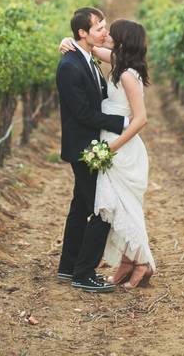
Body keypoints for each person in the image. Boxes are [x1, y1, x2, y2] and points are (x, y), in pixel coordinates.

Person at [61, 18, 155, 289]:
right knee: (118, 207)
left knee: (119, 207)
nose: (106, 36)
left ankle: (141, 263)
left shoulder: (126, 74)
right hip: (109, 142)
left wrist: (112, 147)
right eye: (103, 31)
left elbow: (141, 119)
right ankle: (129, 263)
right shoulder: (119, 63)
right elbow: (86, 50)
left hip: (120, 148)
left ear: (122, 40)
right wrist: (66, 41)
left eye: (111, 33)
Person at [55, 7, 126, 293]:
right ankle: (83, 273)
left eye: (105, 27)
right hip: (83, 149)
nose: (104, 32)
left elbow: (117, 48)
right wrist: (123, 123)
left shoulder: (86, 57)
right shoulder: (70, 65)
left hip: (89, 146)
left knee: (80, 207)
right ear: (82, 33)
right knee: (103, 209)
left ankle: (68, 267)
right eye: (99, 28)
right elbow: (83, 113)